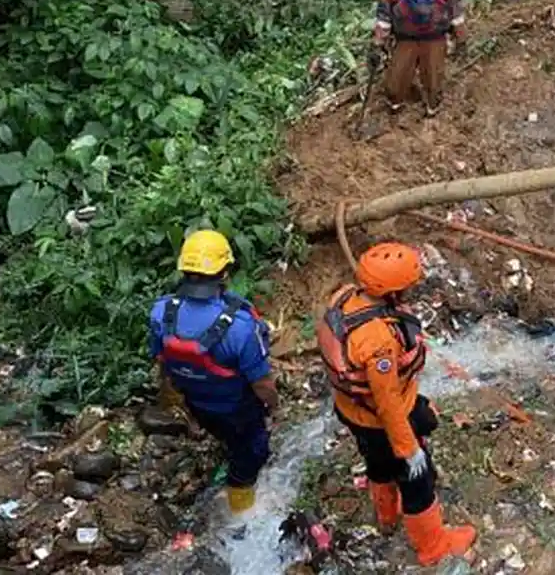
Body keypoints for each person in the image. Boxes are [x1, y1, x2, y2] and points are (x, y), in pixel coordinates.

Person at [317, 242, 476, 566]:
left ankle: (386, 515)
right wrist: (408, 448)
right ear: (392, 291)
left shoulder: (345, 297)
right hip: (379, 419)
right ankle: (433, 547)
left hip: (352, 411)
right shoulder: (378, 344)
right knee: (417, 480)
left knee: (378, 464)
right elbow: (387, 402)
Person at [149, 230, 278, 514]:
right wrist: (274, 406)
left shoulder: (161, 313)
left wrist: (173, 398)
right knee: (251, 453)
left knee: (228, 437)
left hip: (197, 404)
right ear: (225, 273)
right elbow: (262, 385)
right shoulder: (240, 327)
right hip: (238, 409)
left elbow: (162, 361)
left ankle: (229, 451)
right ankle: (242, 510)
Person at [374, 0, 466, 117]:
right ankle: (395, 106)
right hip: (405, 38)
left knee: (433, 80)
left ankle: (432, 109)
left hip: (435, 38)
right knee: (394, 84)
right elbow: (384, 16)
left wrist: (461, 37)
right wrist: (377, 44)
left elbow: (453, 9)